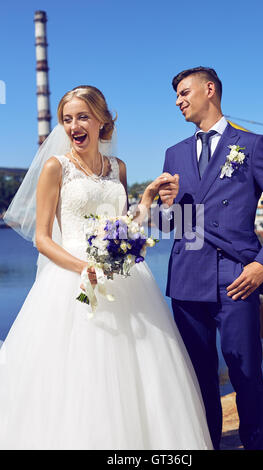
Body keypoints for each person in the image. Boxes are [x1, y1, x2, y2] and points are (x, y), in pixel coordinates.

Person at [0, 85, 213, 450]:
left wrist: (146, 200)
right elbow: (42, 238)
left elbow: (127, 226)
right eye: (67, 119)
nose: (73, 126)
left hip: (125, 280)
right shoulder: (56, 167)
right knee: (79, 375)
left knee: (141, 373)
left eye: (82, 117)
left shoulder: (119, 167)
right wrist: (85, 267)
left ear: (102, 121)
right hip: (70, 280)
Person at [157, 67, 263, 450]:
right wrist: (165, 208)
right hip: (187, 280)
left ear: (210, 90)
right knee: (199, 380)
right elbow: (173, 226)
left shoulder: (251, 145)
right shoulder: (174, 153)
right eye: (175, 96)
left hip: (236, 276)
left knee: (247, 376)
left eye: (184, 92)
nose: (178, 101)